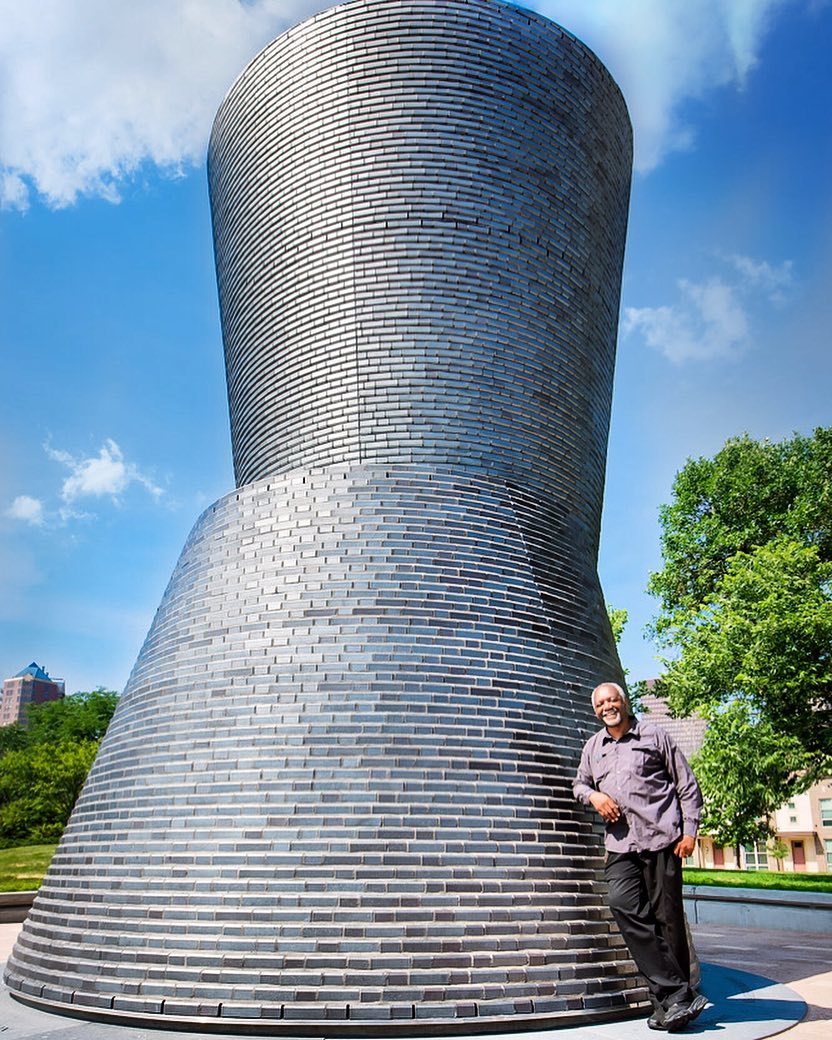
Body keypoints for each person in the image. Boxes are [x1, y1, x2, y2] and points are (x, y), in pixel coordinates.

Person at [573, 682, 708, 1032]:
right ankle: (679, 994)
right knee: (623, 906)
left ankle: (668, 1005)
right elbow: (579, 785)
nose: (607, 706)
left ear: (624, 701)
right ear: (596, 710)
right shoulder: (593, 747)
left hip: (662, 840)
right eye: (601, 703)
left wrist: (690, 830)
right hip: (620, 846)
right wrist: (594, 797)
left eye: (612, 699)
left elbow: (686, 786)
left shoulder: (654, 736)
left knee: (669, 923)